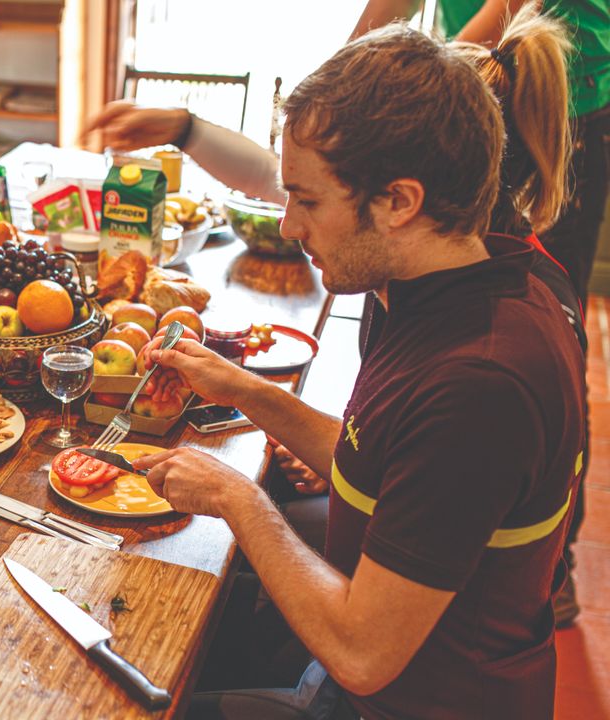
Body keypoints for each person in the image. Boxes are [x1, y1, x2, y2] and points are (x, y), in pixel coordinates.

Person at [121, 24, 582, 719]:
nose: (289, 225)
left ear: (399, 201)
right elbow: (386, 461)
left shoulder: (482, 381)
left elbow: (363, 655)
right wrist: (244, 389)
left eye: (307, 200)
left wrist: (238, 498)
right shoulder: (433, 281)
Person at [352, 0, 607, 627]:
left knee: (524, 330)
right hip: (473, 83)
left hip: (557, 97)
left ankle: (548, 566)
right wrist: (349, 76)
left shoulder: (495, 374)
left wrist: (427, 90)